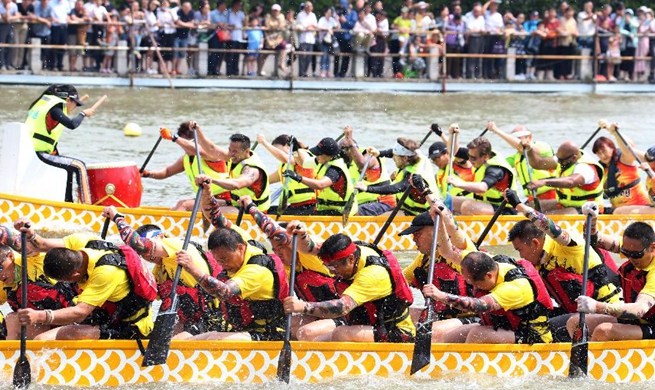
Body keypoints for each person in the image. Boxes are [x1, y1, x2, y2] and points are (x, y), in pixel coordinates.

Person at [14, 222, 155, 341]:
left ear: (75, 274)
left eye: (67, 280)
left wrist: (39, 316)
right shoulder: (82, 243)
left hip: (129, 327)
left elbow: (80, 312)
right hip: (104, 317)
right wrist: (30, 233)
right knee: (40, 339)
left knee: (66, 333)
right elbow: (42, 244)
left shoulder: (106, 273)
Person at [102, 205, 223, 338]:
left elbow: (137, 244)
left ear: (161, 236)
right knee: (155, 336)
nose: (146, 256)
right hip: (191, 320)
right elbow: (146, 299)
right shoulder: (159, 271)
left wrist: (117, 217)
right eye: (141, 255)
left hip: (214, 317)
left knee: (173, 343)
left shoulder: (176, 246)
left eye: (148, 245)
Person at [235, 195, 339, 340]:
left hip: (342, 313)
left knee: (305, 333)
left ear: (291, 243)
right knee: (281, 328)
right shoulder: (287, 266)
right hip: (318, 313)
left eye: (282, 247)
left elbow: (276, 232)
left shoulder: (309, 256)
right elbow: (233, 235)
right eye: (274, 249)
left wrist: (250, 206)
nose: (278, 253)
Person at [505, 190, 621, 320]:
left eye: (520, 249)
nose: (520, 256)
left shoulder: (568, 245)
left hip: (606, 311)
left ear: (535, 243)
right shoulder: (537, 262)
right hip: (574, 314)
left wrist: (519, 206)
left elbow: (550, 227)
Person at [283, 233, 416, 343]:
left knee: (341, 334)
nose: (332, 272)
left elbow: (342, 307)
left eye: (334, 267)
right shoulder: (348, 251)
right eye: (328, 267)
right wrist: (302, 234)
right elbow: (312, 248)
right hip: (367, 326)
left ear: (351, 259)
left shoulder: (373, 274)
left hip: (396, 332)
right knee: (308, 338)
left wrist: (303, 307)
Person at [177, 227, 288, 341]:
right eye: (219, 261)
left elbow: (224, 291)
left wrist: (192, 268)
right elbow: (217, 219)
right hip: (236, 328)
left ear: (240, 248)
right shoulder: (240, 245)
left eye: (225, 259)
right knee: (180, 341)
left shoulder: (256, 272)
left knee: (214, 339)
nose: (223, 265)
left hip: (267, 333)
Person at [399, 191, 480, 342]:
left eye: (418, 234)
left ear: (434, 231)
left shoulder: (460, 251)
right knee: (397, 319)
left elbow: (450, 221)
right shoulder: (423, 260)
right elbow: (399, 280)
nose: (414, 239)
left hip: (472, 317)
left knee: (429, 333)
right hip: (441, 315)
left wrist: (426, 192)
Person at [422, 251, 553, 344]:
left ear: (489, 276)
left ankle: (467, 374)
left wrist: (441, 295)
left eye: (475, 283)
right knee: (445, 337)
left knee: (477, 334)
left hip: (533, 338)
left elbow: (479, 305)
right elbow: (449, 251)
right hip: (504, 328)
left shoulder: (516, 287)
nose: (474, 286)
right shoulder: (489, 263)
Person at [567, 217, 655, 342]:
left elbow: (639, 310)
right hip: (637, 321)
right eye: (626, 252)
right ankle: (584, 356)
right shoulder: (635, 247)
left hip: (650, 324)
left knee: (604, 331)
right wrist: (592, 220)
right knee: (575, 323)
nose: (630, 258)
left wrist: (598, 307)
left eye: (635, 255)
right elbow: (593, 239)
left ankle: (592, 360)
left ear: (652, 247)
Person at [0, 225, 76, 340]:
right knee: (11, 318)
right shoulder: (3, 285)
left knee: (40, 339)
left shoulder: (33, 259)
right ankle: (10, 355)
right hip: (44, 323)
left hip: (71, 319)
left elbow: (22, 243)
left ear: (10, 256)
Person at [25, 84, 97, 204]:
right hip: (38, 153)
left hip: (33, 150)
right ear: (68, 99)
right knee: (79, 166)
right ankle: (87, 207)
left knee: (68, 168)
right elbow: (72, 125)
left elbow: (47, 137)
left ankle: (68, 202)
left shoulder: (44, 105)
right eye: (76, 104)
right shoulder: (55, 109)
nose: (75, 107)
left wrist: (56, 154)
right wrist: (83, 113)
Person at [141, 121, 229, 211]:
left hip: (225, 200)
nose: (184, 147)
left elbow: (197, 150)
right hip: (208, 199)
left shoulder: (211, 156)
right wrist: (147, 173)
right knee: (174, 208)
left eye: (186, 143)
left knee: (183, 205)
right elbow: (167, 172)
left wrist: (173, 137)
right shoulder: (185, 159)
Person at [354, 137, 437, 216]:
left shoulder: (413, 175)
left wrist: (367, 188)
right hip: (408, 207)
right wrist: (380, 153)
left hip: (419, 213)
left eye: (395, 157)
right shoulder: (417, 155)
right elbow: (394, 152)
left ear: (405, 158)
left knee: (380, 220)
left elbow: (395, 188)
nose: (393, 158)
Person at [193, 131, 271, 213]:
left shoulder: (252, 169)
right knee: (194, 205)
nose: (231, 154)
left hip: (255, 211)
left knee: (206, 211)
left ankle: (206, 225)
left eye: (235, 151)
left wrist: (211, 179)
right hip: (237, 203)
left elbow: (237, 184)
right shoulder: (233, 156)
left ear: (247, 152)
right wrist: (198, 130)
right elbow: (211, 148)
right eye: (229, 150)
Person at [524, 139, 605, 214]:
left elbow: (571, 182)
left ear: (574, 158)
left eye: (561, 160)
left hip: (587, 210)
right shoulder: (564, 158)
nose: (558, 162)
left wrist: (544, 182)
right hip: (566, 204)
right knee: (529, 208)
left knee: (545, 218)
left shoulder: (585, 168)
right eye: (558, 158)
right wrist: (529, 149)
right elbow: (538, 163)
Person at [486, 122, 557, 205]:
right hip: (533, 197)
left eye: (519, 138)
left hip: (551, 193)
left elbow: (523, 146)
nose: (515, 142)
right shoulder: (515, 157)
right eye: (514, 138)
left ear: (530, 137)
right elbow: (494, 164)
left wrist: (496, 131)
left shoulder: (543, 147)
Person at [592, 121, 653, 214]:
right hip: (618, 211)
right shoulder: (600, 169)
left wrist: (614, 132)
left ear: (612, 148)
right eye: (599, 153)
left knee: (617, 212)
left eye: (604, 151)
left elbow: (629, 148)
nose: (603, 155)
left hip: (640, 206)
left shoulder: (625, 159)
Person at [284, 137, 356, 216]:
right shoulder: (323, 160)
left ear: (329, 155)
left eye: (319, 153)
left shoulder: (334, 170)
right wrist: (295, 150)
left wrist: (298, 178)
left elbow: (320, 185)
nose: (316, 155)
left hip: (341, 212)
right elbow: (303, 163)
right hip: (327, 209)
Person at [447, 136, 516, 215]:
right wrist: (455, 134)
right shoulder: (476, 154)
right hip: (487, 204)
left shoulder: (495, 169)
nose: (469, 160)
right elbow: (454, 151)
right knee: (451, 201)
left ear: (485, 157)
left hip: (504, 209)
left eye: (472, 158)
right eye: (468, 156)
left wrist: (458, 183)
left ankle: (473, 227)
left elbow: (483, 187)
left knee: (468, 206)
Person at [339, 126, 395, 216]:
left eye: (345, 150)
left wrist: (349, 140)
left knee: (353, 213)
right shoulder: (344, 164)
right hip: (363, 204)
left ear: (354, 149)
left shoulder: (370, 156)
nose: (341, 154)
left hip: (383, 203)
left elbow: (362, 164)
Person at [256, 134, 316, 215]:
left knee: (268, 214)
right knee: (264, 211)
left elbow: (288, 159)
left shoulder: (301, 153)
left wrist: (265, 143)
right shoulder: (284, 166)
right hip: (295, 205)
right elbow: (266, 180)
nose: (276, 154)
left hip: (310, 205)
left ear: (288, 146)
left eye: (278, 150)